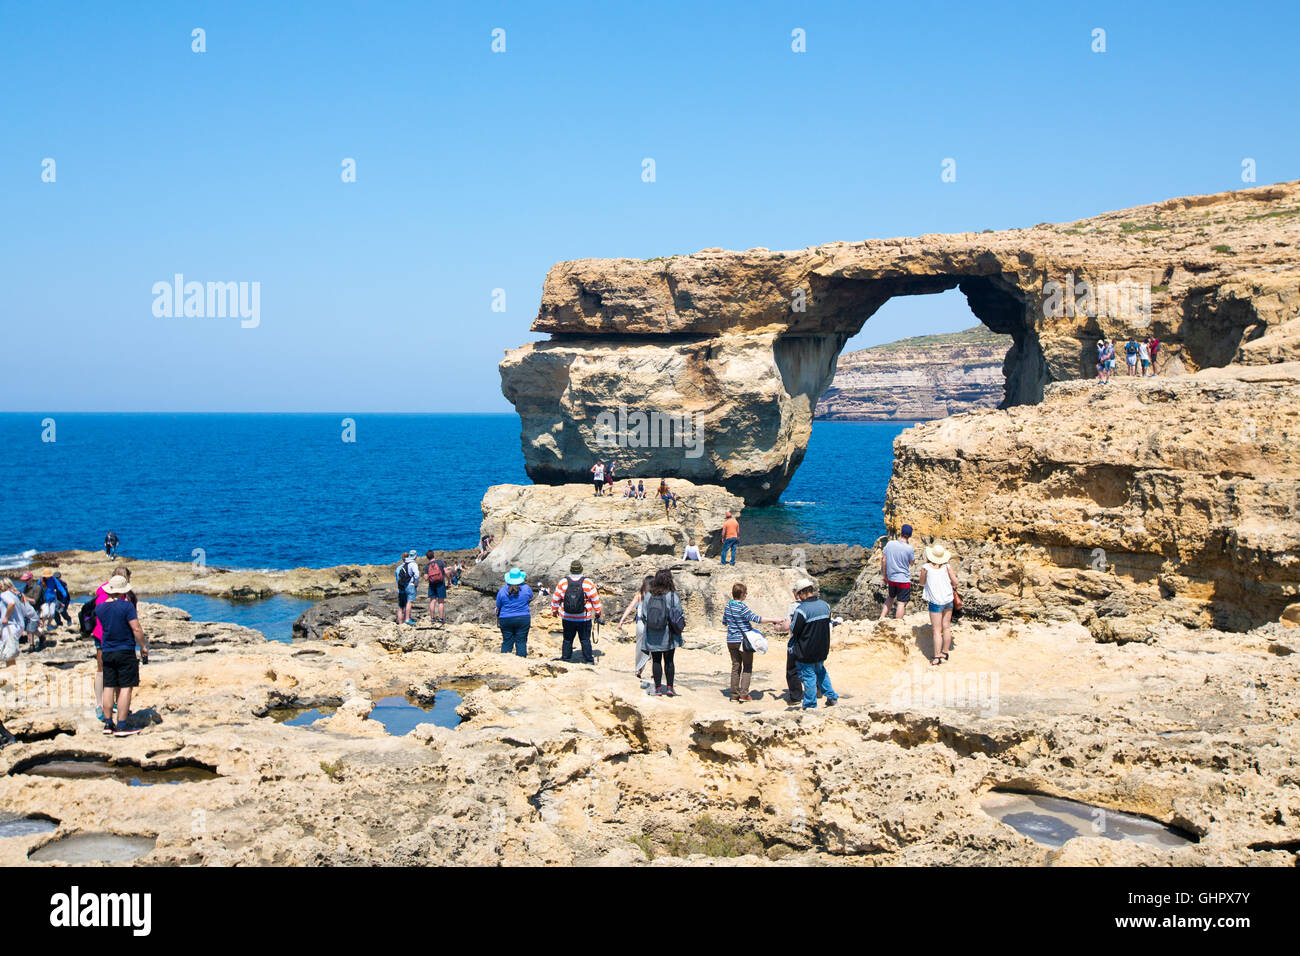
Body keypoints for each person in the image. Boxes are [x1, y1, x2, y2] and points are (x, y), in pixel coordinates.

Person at [94, 574, 149, 736]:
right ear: (123, 591)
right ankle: (122, 725)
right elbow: (136, 628)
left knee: (109, 686)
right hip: (125, 649)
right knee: (126, 687)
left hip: (107, 650)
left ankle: (108, 723)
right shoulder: (127, 606)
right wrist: (143, 646)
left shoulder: (100, 608)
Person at [86, 564, 138, 721]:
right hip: (112, 637)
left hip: (100, 635)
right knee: (114, 673)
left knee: (104, 671)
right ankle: (110, 705)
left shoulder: (102, 593)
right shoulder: (125, 598)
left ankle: (103, 705)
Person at [722, 582, 782, 702]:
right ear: (742, 594)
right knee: (747, 667)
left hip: (731, 640)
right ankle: (744, 694)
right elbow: (757, 619)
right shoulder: (742, 607)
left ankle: (734, 695)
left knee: (735, 667)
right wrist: (774, 620)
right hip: (743, 641)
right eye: (746, 594)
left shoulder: (728, 606)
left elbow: (724, 621)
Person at [789, 579, 838, 710]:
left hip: (806, 649)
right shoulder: (825, 605)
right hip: (822, 648)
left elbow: (794, 629)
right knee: (821, 672)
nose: (799, 597)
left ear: (804, 593)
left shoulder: (801, 610)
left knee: (808, 676)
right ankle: (832, 697)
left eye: (799, 594)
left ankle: (810, 704)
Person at [641, 568, 685, 696]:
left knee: (656, 660)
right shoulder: (672, 595)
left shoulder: (649, 595)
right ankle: (670, 687)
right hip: (668, 633)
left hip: (653, 632)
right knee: (669, 661)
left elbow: (644, 614)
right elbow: (679, 613)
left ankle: (658, 688)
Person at [551, 560, 601, 664]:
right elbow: (595, 599)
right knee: (585, 639)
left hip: (567, 617)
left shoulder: (563, 582)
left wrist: (554, 610)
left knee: (568, 639)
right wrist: (597, 612)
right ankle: (588, 660)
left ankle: (566, 658)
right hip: (584, 617)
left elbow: (555, 598)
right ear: (581, 569)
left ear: (571, 569)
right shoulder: (588, 582)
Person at [920, 543, 959, 666]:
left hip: (936, 602)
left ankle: (937, 657)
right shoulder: (947, 567)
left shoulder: (926, 567)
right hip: (948, 600)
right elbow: (956, 582)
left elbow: (921, 583)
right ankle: (945, 652)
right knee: (946, 627)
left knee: (937, 630)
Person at [618, 574, 656, 679]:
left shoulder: (640, 594)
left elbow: (630, 607)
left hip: (641, 624)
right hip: (653, 624)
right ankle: (654, 672)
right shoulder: (656, 594)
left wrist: (622, 620)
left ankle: (638, 670)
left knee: (640, 647)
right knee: (653, 649)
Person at [879, 525, 915, 620]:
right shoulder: (909, 548)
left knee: (890, 597)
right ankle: (898, 622)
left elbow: (884, 560)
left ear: (900, 532)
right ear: (910, 535)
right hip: (903, 580)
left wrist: (884, 575)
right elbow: (911, 563)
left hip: (892, 578)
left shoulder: (890, 544)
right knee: (901, 603)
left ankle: (882, 617)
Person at [496, 568, 533, 657]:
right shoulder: (526, 588)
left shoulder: (502, 590)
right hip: (523, 618)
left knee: (507, 642)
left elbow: (498, 605)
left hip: (505, 618)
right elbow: (530, 598)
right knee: (521, 642)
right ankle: (521, 663)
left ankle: (505, 662)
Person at [37, 568, 63, 648]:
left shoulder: (53, 579)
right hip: (44, 600)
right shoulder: (40, 581)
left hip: (52, 600)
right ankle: (41, 626)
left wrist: (64, 594)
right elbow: (36, 589)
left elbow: (59, 587)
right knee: (45, 614)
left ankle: (48, 625)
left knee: (52, 614)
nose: (48, 577)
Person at [0, 578, 22, 667]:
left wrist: (6, 617)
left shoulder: (4, 595)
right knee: (10, 653)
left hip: (9, 626)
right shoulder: (13, 595)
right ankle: (11, 669)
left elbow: (11, 604)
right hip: (16, 626)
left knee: (8, 652)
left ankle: (10, 672)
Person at [395, 551, 420, 625]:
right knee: (408, 603)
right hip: (408, 586)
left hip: (400, 588)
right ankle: (407, 619)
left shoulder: (398, 568)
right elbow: (416, 575)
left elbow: (397, 579)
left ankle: (400, 623)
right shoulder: (411, 565)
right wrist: (416, 583)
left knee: (400, 607)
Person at [425, 549, 448, 628]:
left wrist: (430, 578)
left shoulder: (427, 566)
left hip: (432, 585)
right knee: (441, 601)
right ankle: (441, 619)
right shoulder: (440, 562)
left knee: (432, 601)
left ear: (427, 557)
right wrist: (449, 580)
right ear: (433, 555)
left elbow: (425, 578)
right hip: (441, 584)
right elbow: (446, 572)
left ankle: (432, 618)